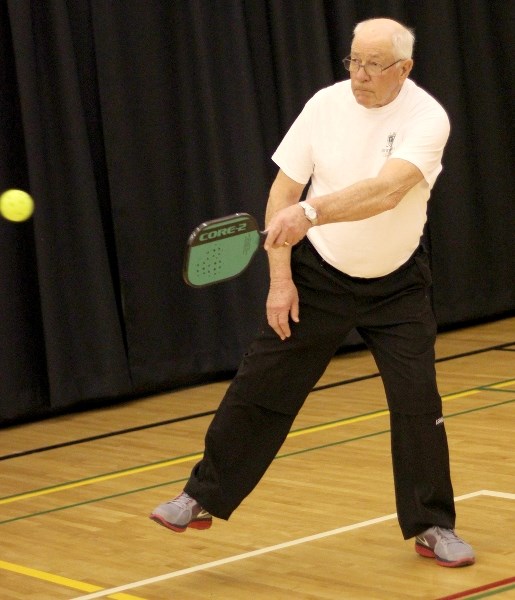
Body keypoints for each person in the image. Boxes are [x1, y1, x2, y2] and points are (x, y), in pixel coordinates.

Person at [150, 18, 475, 568]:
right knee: (261, 385)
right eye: (354, 61)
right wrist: (281, 279)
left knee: (418, 402)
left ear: (405, 69)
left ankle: (433, 525)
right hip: (320, 276)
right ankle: (201, 496)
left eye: (374, 64)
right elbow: (283, 189)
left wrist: (311, 212)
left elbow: (387, 191)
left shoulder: (427, 117)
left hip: (397, 284)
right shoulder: (324, 105)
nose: (361, 75)